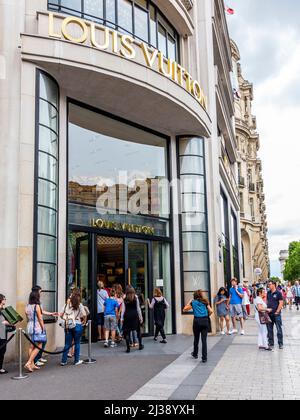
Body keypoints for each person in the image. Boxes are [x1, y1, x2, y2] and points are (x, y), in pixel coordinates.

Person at [31, 286, 58, 367]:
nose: (41, 293)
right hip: (38, 325)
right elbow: (39, 317)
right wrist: (42, 328)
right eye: (40, 291)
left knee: (43, 341)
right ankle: (35, 360)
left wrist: (51, 313)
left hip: (39, 325)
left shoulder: (37, 301)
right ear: (37, 292)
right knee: (38, 343)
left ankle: (38, 357)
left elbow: (42, 312)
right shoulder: (34, 303)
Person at [183, 290, 213, 363]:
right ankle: (204, 358)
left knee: (196, 338)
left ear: (195, 296)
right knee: (204, 340)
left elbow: (184, 309)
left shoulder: (193, 302)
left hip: (197, 321)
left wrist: (189, 302)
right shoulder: (205, 302)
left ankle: (195, 354)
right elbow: (211, 311)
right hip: (205, 320)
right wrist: (206, 316)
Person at [60, 289, 87, 366]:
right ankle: (76, 360)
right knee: (77, 343)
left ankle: (63, 361)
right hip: (77, 325)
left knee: (67, 344)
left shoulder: (66, 305)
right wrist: (84, 322)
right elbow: (84, 315)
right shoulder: (80, 305)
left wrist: (67, 319)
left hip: (68, 325)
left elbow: (61, 315)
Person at [24, 291, 46, 372]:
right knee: (39, 345)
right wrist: (43, 328)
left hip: (29, 326)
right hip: (36, 327)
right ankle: (29, 362)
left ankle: (32, 365)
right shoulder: (37, 306)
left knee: (31, 346)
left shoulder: (27, 306)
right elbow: (40, 318)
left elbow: (27, 318)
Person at [121, 287, 144, 354]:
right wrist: (141, 317)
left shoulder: (124, 299)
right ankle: (140, 345)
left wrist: (122, 318)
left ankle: (128, 348)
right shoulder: (136, 298)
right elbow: (138, 308)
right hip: (135, 316)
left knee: (127, 332)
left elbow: (123, 310)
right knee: (138, 331)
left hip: (127, 316)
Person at [267, 281, 284, 350]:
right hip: (269, 314)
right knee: (270, 330)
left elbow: (281, 303)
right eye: (268, 285)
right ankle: (271, 343)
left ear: (274, 285)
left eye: (270, 284)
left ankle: (280, 343)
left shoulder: (278, 293)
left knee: (279, 329)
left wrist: (277, 311)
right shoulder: (268, 293)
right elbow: (267, 302)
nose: (268, 286)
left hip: (276, 315)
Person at [0, 295, 12, 375]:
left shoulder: (3, 310)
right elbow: (3, 322)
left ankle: (0, 368)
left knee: (2, 350)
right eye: (4, 299)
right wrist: (6, 322)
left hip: (3, 332)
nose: (5, 300)